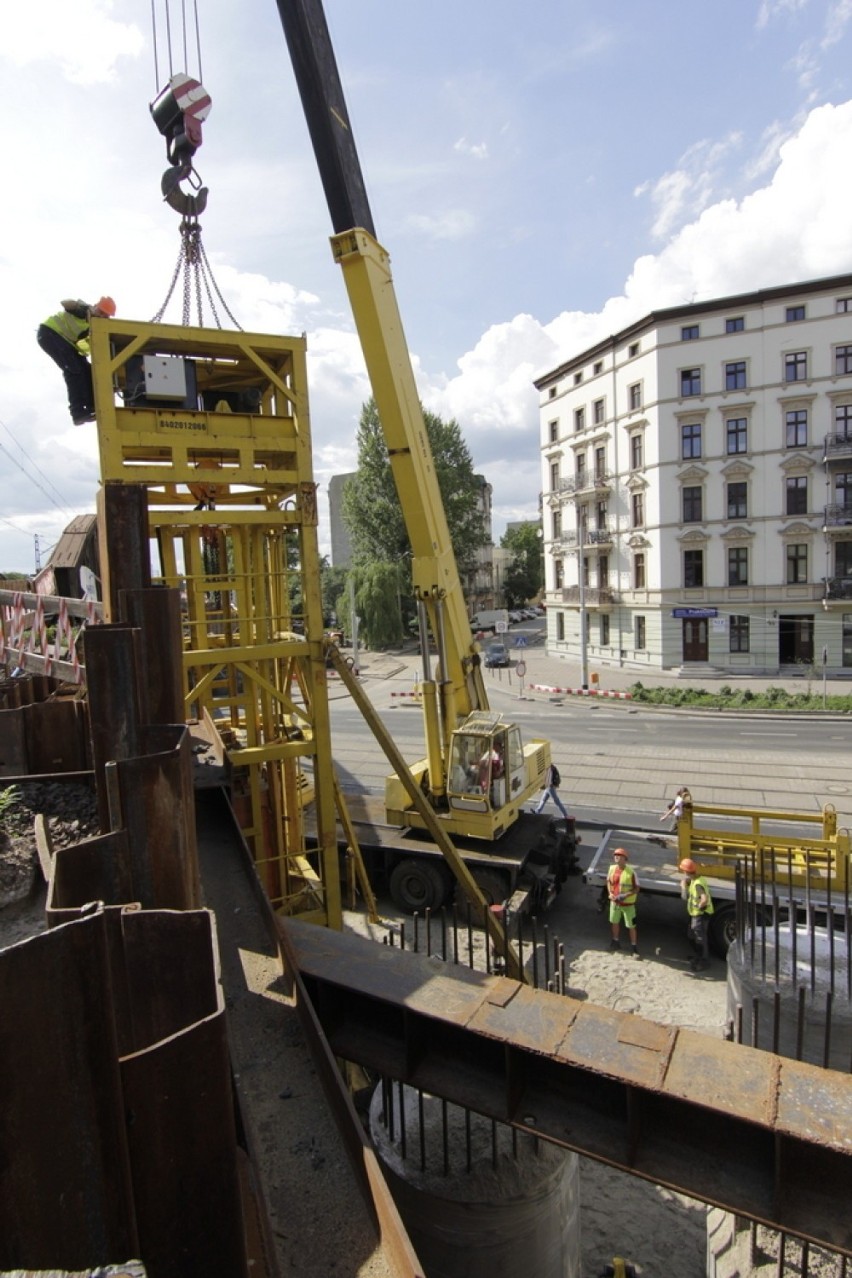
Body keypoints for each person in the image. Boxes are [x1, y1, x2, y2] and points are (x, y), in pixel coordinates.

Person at [37, 296, 116, 425]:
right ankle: (77, 412)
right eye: (100, 311)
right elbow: (65, 303)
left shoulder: (95, 326)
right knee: (73, 370)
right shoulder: (84, 312)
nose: (101, 316)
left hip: (66, 343)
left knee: (87, 370)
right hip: (50, 333)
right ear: (95, 306)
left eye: (105, 315)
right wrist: (81, 308)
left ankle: (92, 405)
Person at [679, 857, 714, 971]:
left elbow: (703, 898)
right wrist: (686, 884)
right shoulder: (697, 879)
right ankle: (698, 957)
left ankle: (703, 962)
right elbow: (690, 882)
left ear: (686, 871)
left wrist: (700, 905)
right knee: (691, 935)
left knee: (700, 938)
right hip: (696, 914)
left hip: (700, 914)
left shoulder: (698, 884)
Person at [606, 847, 640, 958]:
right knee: (614, 922)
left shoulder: (631, 872)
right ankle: (615, 942)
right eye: (615, 855)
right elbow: (608, 881)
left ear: (625, 858)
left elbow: (637, 888)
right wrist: (610, 893)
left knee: (631, 926)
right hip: (615, 903)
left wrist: (625, 895)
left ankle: (634, 948)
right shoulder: (611, 869)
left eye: (619, 855)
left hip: (628, 905)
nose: (616, 856)